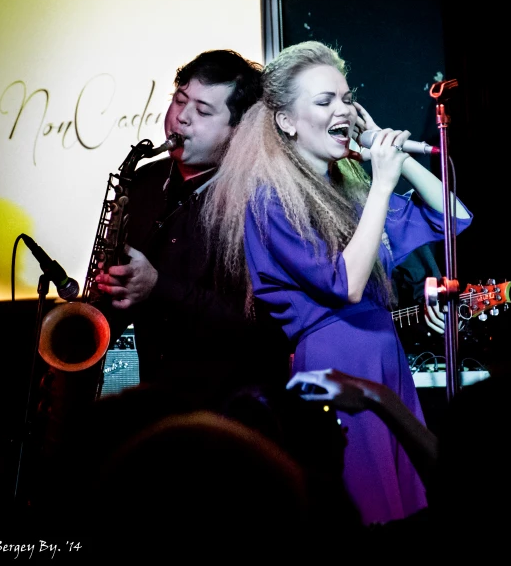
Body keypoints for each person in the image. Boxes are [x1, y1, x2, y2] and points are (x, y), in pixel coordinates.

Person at [201, 40, 473, 525]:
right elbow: (345, 284)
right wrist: (384, 185)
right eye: (324, 101)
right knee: (372, 509)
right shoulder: (270, 200)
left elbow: (454, 216)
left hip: (384, 355)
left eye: (346, 98)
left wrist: (395, 158)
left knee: (412, 506)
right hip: (338, 361)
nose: (342, 110)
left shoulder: (351, 189)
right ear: (286, 121)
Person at [93, 48, 290, 412]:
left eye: (202, 111)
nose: (181, 118)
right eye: (179, 100)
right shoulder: (143, 183)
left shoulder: (260, 199)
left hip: (234, 408)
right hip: (158, 397)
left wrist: (157, 287)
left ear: (238, 129)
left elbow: (261, 326)